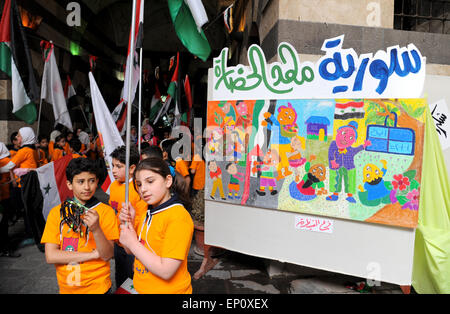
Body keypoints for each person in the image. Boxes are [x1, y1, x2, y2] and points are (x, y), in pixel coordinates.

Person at [40, 158, 119, 294]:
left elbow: (107, 255)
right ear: (69, 184)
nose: (87, 187)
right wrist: (92, 255)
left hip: (99, 287)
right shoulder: (56, 213)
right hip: (68, 287)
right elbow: (51, 255)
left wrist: (96, 229)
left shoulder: (106, 212)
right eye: (81, 181)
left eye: (91, 181)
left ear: (97, 182)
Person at [118, 157, 194, 294]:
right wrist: (129, 225)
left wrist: (133, 243)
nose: (143, 189)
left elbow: (166, 271)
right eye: (139, 184)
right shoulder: (149, 211)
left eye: (150, 181)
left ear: (168, 181)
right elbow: (130, 250)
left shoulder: (177, 216)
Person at [109, 145, 148, 288]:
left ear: (132, 168)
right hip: (118, 243)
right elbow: (113, 212)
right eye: (112, 165)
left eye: (118, 166)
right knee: (120, 278)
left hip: (134, 244)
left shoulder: (139, 189)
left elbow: (142, 218)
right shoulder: (113, 187)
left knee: (134, 280)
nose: (113, 170)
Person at [0, 142, 20, 258]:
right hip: (4, 197)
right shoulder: (7, 161)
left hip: (3, 196)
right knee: (3, 225)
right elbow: (12, 168)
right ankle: (5, 248)